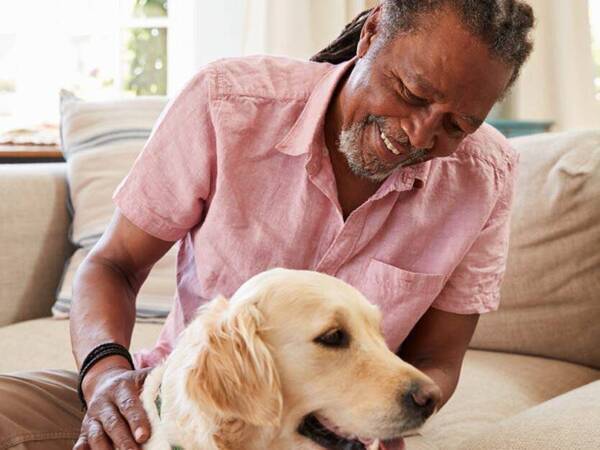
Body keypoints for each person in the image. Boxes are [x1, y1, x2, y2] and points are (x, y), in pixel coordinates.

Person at [0, 1, 535, 449]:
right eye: (411, 93)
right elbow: (113, 265)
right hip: (184, 396)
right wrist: (106, 376)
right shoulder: (227, 103)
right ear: (371, 34)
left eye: (457, 124)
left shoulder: (484, 176)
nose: (419, 136)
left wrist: (370, 420)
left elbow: (435, 360)